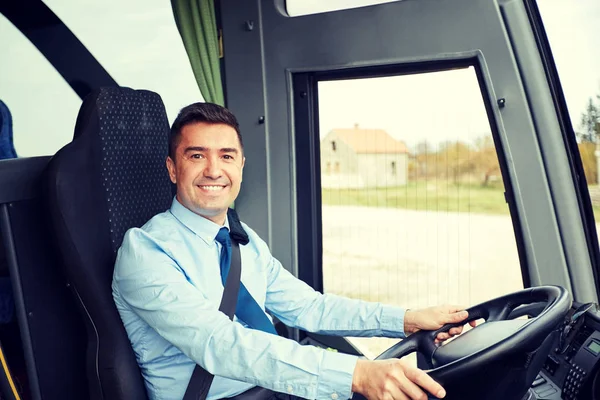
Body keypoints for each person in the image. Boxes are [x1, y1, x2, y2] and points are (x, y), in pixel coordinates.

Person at [112, 102, 475, 400]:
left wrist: (407, 321)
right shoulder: (146, 251)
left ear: (240, 166)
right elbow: (219, 344)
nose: (213, 170)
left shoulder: (244, 240)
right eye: (196, 156)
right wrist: (356, 374)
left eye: (226, 156)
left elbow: (310, 307)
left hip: (278, 390)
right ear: (173, 170)